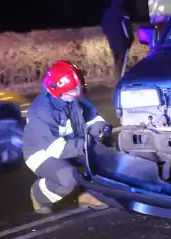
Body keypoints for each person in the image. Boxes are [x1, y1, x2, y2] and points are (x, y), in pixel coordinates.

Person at [23, 60, 111, 214]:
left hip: (71, 144)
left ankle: (88, 194)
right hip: (41, 152)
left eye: (79, 90)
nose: (78, 94)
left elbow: (93, 118)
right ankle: (39, 194)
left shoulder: (74, 95)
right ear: (58, 90)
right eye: (73, 92)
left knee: (104, 156)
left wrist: (101, 130)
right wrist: (86, 144)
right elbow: (55, 149)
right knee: (67, 179)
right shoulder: (41, 110)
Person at [101, 0, 134, 79]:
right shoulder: (122, 13)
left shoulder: (107, 13)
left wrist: (111, 36)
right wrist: (129, 39)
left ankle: (117, 80)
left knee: (117, 61)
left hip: (112, 42)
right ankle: (120, 83)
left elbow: (104, 29)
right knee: (122, 63)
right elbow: (126, 28)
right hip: (123, 42)